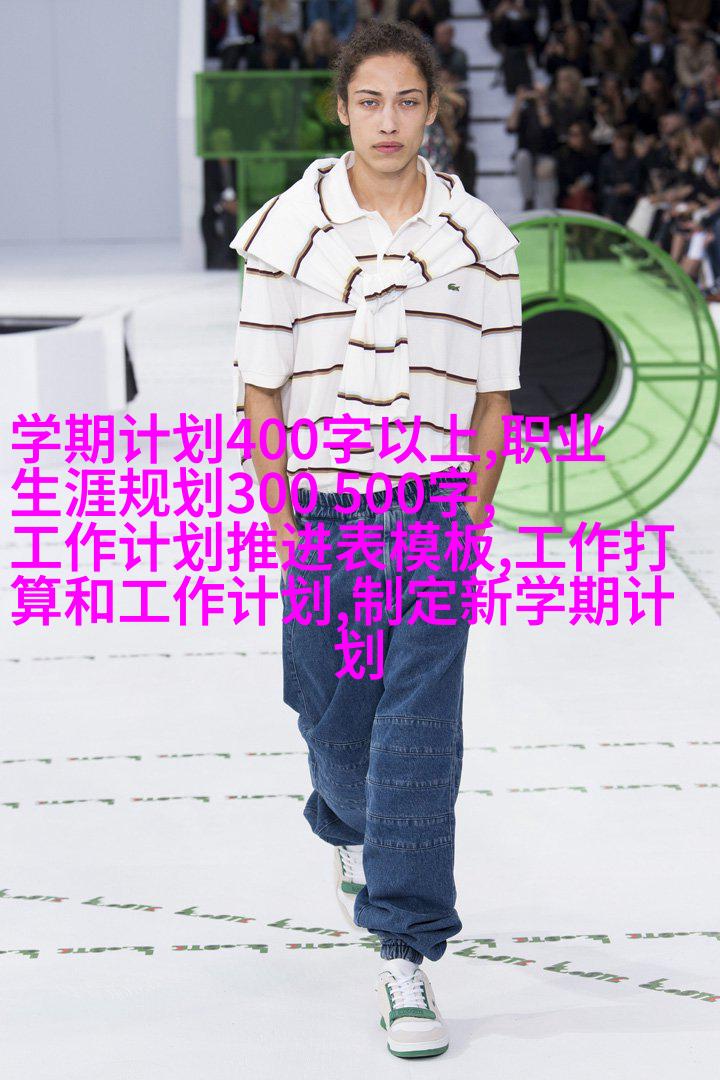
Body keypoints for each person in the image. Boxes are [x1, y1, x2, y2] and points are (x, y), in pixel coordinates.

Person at [229, 20, 522, 1059]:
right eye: (369, 101)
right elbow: (261, 388)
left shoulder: (480, 240)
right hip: (322, 511)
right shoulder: (285, 230)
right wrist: (280, 519)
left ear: (433, 108)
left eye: (406, 101)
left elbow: (494, 395)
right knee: (328, 706)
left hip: (435, 511)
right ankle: (345, 822)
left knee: (420, 728)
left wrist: (474, 511)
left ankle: (405, 947)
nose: (387, 121)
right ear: (342, 110)